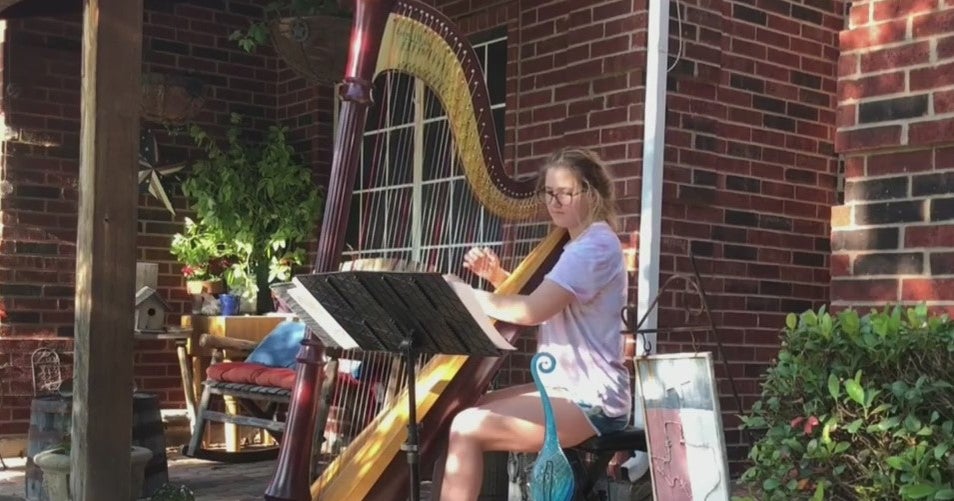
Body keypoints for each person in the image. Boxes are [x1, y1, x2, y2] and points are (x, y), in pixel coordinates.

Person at [437, 147, 632, 500]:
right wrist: (497, 276)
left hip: (593, 400)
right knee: (459, 407)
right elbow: (552, 302)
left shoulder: (594, 247)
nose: (554, 202)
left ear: (592, 194)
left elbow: (532, 311)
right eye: (549, 192)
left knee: (467, 426)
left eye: (565, 193)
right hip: (563, 387)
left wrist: (464, 296)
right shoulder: (577, 243)